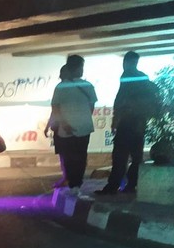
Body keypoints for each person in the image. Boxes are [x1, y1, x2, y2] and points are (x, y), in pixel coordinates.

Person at [96, 51, 155, 195]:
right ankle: (131, 185)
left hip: (127, 121)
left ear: (128, 62)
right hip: (139, 122)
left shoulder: (127, 76)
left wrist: (116, 120)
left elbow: (121, 100)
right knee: (136, 156)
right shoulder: (143, 77)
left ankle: (113, 185)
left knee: (120, 155)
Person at [49, 55, 97, 196]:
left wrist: (64, 123)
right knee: (81, 157)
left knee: (69, 158)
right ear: (76, 68)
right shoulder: (87, 85)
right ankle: (77, 184)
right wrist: (83, 118)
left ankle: (72, 185)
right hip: (84, 128)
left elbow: (55, 107)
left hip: (66, 130)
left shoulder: (61, 87)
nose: (82, 70)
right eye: (81, 67)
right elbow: (91, 105)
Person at [44, 65, 71, 188]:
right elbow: (54, 110)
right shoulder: (71, 88)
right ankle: (69, 178)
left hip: (61, 127)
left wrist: (49, 125)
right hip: (65, 126)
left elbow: (55, 109)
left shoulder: (60, 88)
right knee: (67, 154)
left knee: (64, 155)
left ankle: (67, 178)